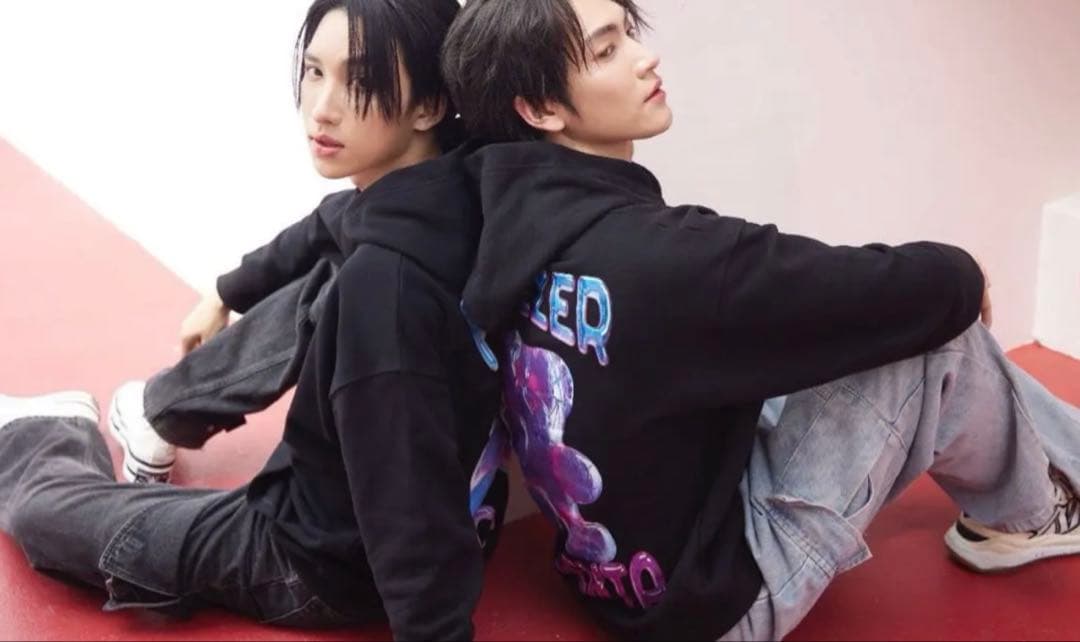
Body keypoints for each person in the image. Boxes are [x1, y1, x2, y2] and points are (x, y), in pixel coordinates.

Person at [441, 0, 1080, 639]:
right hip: (715, 608)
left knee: (838, 327)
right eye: (608, 50)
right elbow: (878, 290)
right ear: (540, 108)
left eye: (629, 35)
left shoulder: (502, 232)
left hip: (618, 579)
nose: (645, 57)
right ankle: (1029, 516)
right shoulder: (661, 257)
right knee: (937, 335)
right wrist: (965, 273)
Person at [0, 1, 507, 639]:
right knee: (331, 271)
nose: (322, 108)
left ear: (429, 104)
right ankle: (163, 412)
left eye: (359, 81)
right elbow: (328, 224)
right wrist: (226, 291)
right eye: (314, 72)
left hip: (312, 563)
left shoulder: (385, 290)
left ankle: (49, 432)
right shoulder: (459, 186)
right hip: (457, 516)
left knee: (46, 515)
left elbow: (403, 495)